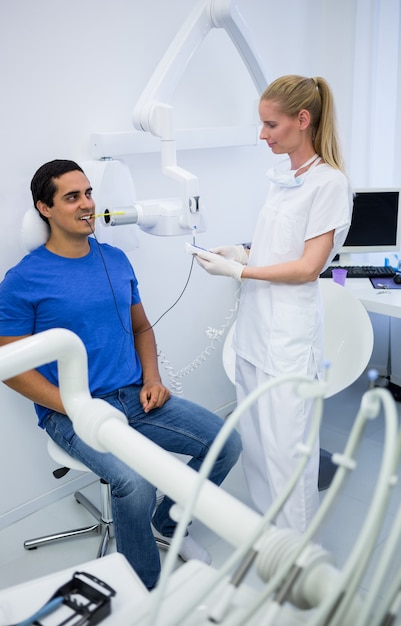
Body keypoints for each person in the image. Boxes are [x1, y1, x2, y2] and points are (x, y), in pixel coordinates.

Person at [0, 159, 242, 590]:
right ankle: (142, 590)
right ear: (44, 208)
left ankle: (163, 523)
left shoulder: (115, 259)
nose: (88, 204)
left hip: (135, 396)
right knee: (136, 481)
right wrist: (76, 406)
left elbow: (142, 327)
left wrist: (153, 378)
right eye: (73, 197)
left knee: (226, 442)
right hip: (71, 412)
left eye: (89, 193)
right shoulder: (22, 280)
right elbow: (11, 368)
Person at [192, 75, 352, 533]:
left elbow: (307, 267)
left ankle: (296, 563)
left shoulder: (329, 184)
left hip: (288, 340)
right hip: (254, 332)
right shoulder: (284, 180)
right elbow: (276, 250)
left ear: (303, 120)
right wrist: (240, 254)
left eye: (271, 125)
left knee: (288, 453)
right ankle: (270, 540)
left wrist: (240, 272)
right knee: (259, 446)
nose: (262, 135)